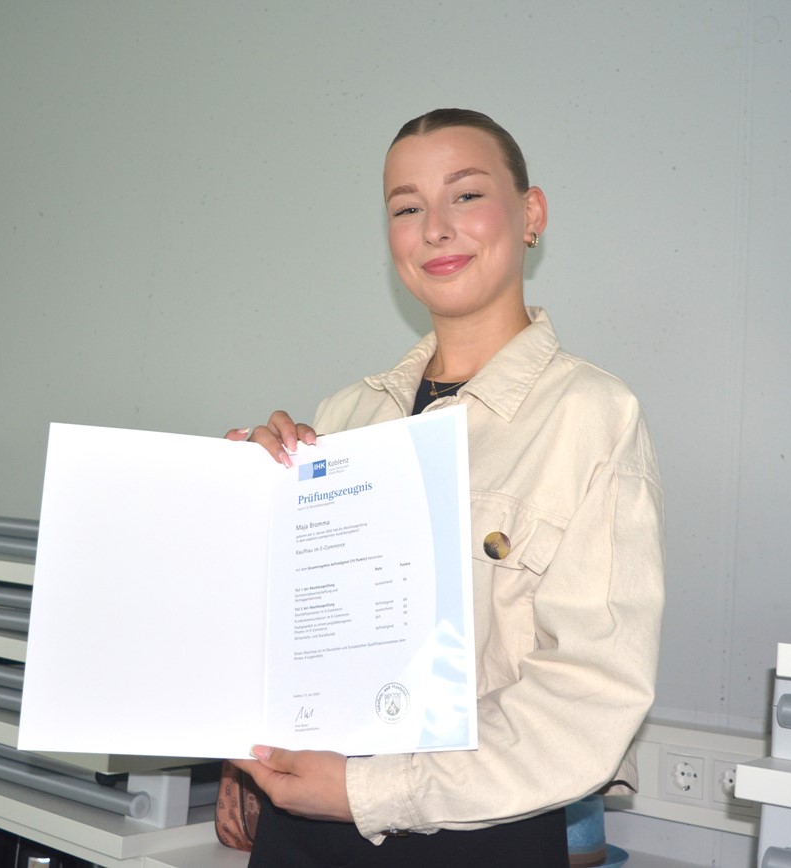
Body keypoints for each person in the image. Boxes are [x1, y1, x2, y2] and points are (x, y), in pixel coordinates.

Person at [227, 108, 665, 867]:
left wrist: (370, 792)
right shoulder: (342, 417)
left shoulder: (592, 416)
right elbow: (293, 641)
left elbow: (593, 693)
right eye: (406, 207)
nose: (434, 227)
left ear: (531, 215)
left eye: (465, 195)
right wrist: (236, 501)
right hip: (300, 827)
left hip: (475, 836)